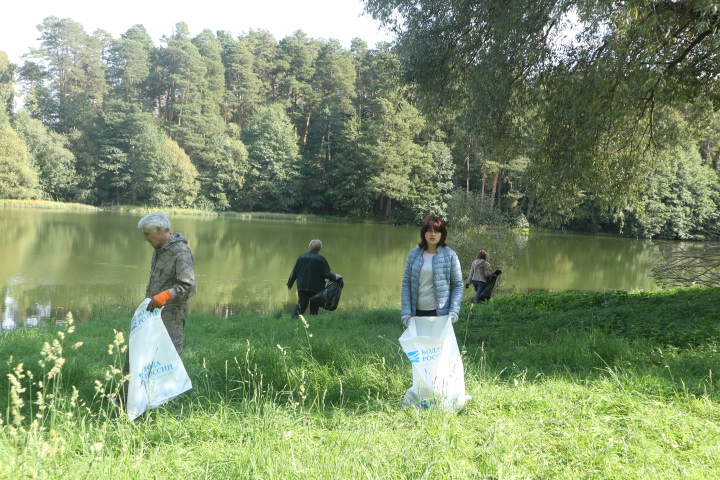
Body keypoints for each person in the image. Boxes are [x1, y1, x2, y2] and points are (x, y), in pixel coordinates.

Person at [122, 212, 196, 395]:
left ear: (160, 230)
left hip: (171, 316)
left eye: (147, 234)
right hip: (152, 314)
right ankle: (127, 399)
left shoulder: (180, 252)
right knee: (135, 355)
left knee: (170, 360)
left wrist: (165, 295)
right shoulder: (160, 249)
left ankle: (170, 402)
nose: (145, 238)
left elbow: (189, 286)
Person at [401, 214, 463, 326]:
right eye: (429, 230)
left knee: (437, 344)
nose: (433, 234)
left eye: (437, 231)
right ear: (424, 233)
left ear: (442, 234)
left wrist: (453, 311)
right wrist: (406, 312)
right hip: (416, 313)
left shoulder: (450, 255)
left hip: (440, 314)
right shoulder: (414, 254)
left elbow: (457, 285)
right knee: (418, 343)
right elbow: (406, 284)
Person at [287, 239, 340, 318]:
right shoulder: (321, 259)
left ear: (310, 247)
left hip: (302, 286)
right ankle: (313, 322)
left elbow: (295, 272)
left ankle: (293, 319)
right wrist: (336, 276)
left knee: (302, 304)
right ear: (320, 248)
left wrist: (289, 284)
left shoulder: (302, 257)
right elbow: (327, 274)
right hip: (316, 288)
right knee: (314, 307)